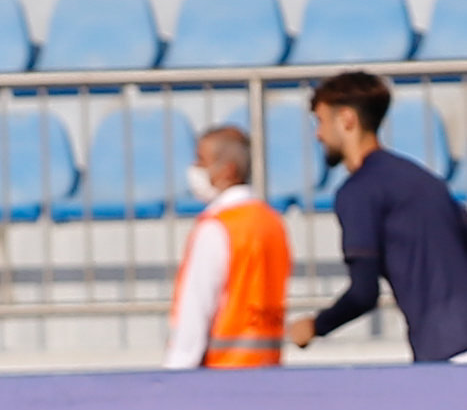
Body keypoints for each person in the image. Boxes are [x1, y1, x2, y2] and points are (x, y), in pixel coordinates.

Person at [288, 72, 467, 363]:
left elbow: (363, 292)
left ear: (347, 119)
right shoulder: (424, 180)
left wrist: (315, 325)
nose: (318, 134)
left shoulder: (359, 191)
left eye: (320, 121)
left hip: (448, 348)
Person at [164, 125, 291, 370]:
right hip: (267, 366)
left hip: (221, 369)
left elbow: (196, 307)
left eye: (202, 160)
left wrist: (176, 369)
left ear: (228, 170)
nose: (195, 169)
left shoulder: (217, 227)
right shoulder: (272, 223)